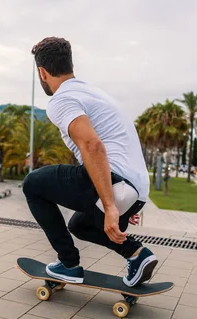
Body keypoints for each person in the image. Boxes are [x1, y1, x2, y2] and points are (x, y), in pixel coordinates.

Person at [23, 37, 156, 287]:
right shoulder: (94, 93)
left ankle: (69, 264)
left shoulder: (62, 100)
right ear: (69, 65)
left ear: (42, 72)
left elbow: (92, 146)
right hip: (134, 188)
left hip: (118, 185)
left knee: (32, 184)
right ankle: (137, 255)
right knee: (79, 224)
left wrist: (111, 205)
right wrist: (127, 200)